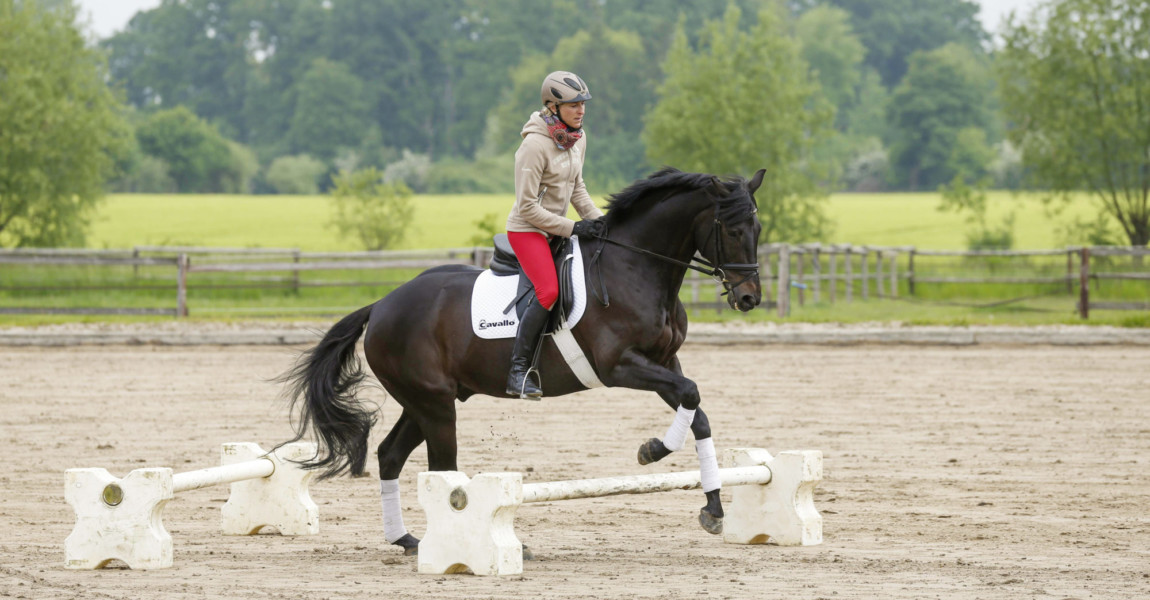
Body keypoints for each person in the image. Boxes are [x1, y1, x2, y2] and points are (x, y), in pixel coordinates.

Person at [504, 70, 605, 399]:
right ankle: (518, 371)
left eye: (583, 104)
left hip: (556, 229)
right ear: (553, 106)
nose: (581, 110)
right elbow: (527, 208)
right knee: (548, 291)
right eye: (574, 105)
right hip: (528, 231)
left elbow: (578, 188)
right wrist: (575, 227)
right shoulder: (534, 146)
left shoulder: (578, 139)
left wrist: (600, 223)